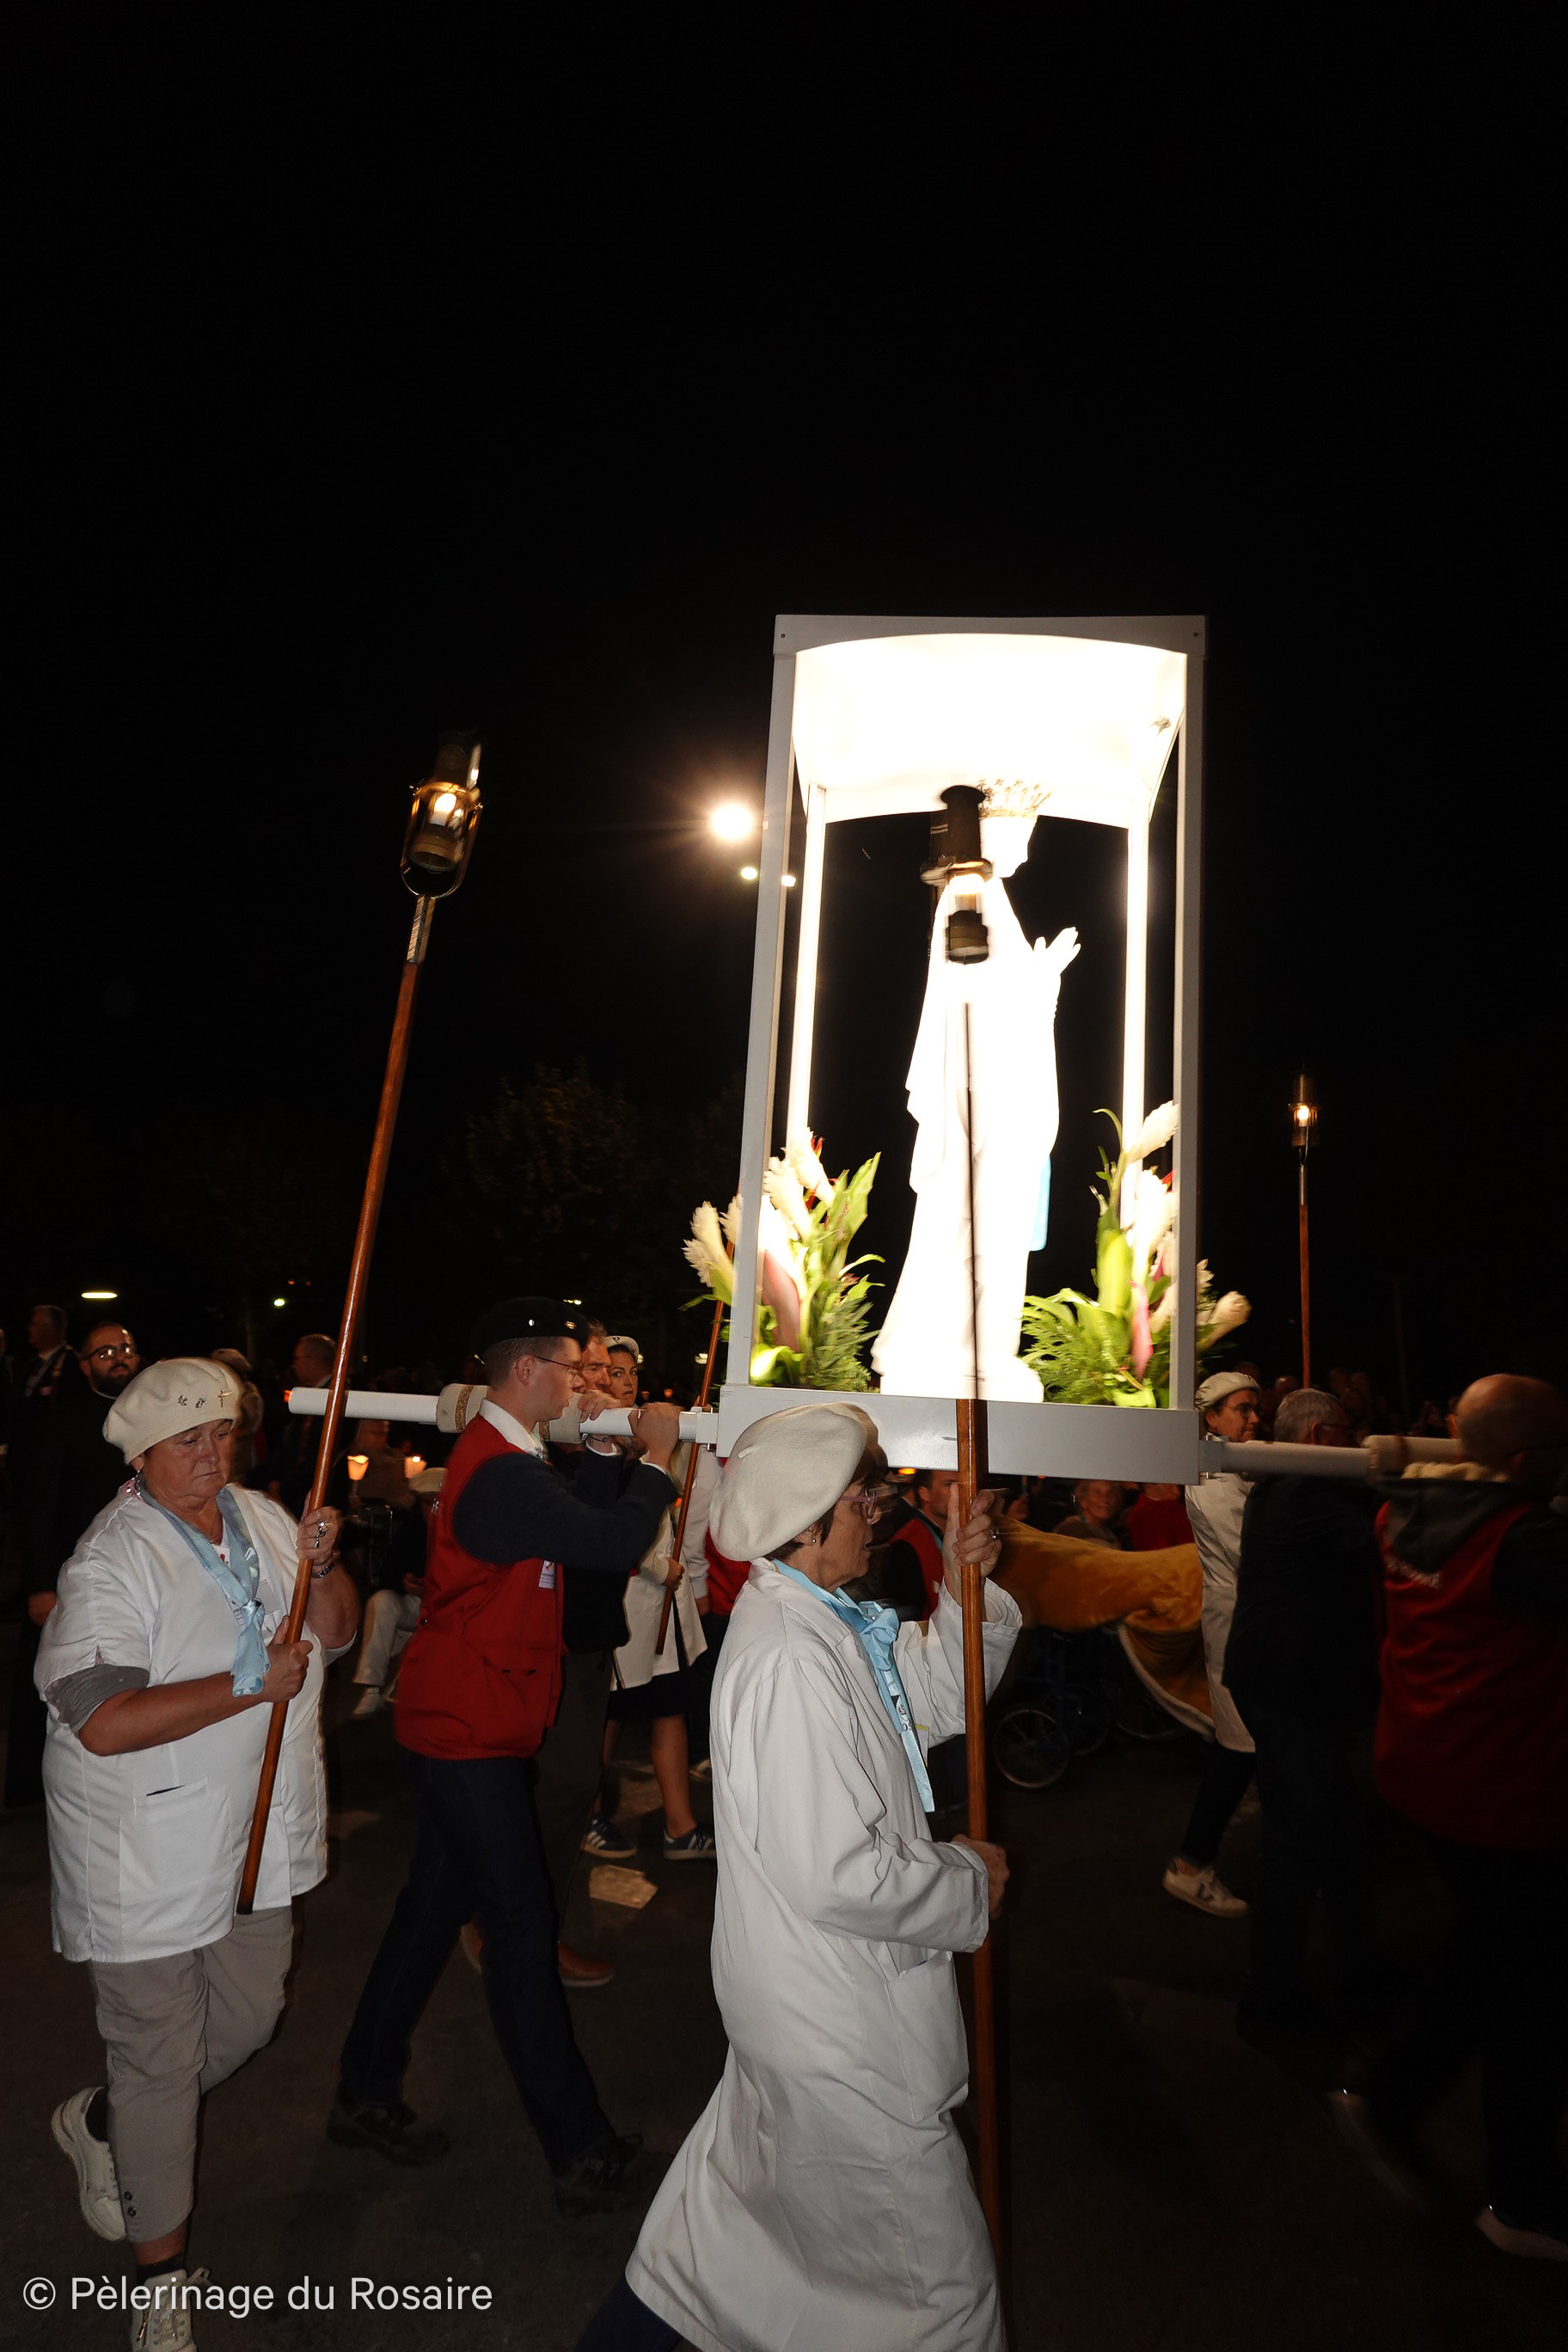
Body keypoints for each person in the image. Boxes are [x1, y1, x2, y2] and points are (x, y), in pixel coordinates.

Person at [575, 1399, 1020, 2352]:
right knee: (942, 2303)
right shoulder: (787, 1657)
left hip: (813, 2011)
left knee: (717, 2247)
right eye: (863, 1498)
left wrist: (967, 1582)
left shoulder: (824, 1621)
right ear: (808, 1522)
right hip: (841, 2031)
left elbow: (933, 1699)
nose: (878, 1512)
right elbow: (835, 1873)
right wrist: (964, 1884)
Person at [331, 1298, 679, 2215]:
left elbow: (584, 1545)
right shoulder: (501, 1472)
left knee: (428, 1912)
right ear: (527, 1370)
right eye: (572, 1367)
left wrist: (604, 1453)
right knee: (521, 1932)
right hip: (467, 1730)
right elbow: (612, 1539)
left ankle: (363, 2090)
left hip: (474, 1719)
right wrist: (657, 1461)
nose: (583, 1383)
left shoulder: (510, 1460)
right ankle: (580, 2150)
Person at [36, 1358, 354, 2347]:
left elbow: (337, 1634)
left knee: (249, 2019)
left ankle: (109, 2122)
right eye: (188, 1439)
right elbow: (101, 1719)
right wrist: (248, 1684)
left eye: (221, 1433)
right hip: (141, 1847)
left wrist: (324, 1566)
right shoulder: (112, 1560)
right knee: (161, 2063)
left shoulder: (262, 1518)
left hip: (253, 1834)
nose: (212, 1454)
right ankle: (161, 2288)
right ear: (141, 1455)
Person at [1333, 1375, 1568, 2261]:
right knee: (1533, 1998)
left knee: (1490, 1948)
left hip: (1429, 1770)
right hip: (1503, 1790)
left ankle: (1391, 2096)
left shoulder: (1405, 1514)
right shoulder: (1526, 1545)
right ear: (1528, 1462)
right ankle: (1521, 2197)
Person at [873, 799, 1080, 1402]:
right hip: (978, 1102)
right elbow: (969, 1000)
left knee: (1000, 1235)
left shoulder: (995, 908)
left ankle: (986, 1350)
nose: (1024, 849)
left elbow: (1013, 1015)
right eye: (1018, 833)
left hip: (1005, 1104)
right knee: (966, 1228)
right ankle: (951, 1348)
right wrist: (1037, 990)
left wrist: (1044, 988)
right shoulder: (967, 900)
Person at [1223, 1387, 1380, 2033]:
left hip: (1289, 1685)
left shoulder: (1287, 1488)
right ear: (1319, 1438)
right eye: (1348, 1430)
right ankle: (1270, 1999)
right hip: (1292, 1690)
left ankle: (1353, 1967)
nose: (1357, 1442)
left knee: (1336, 1831)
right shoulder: (1302, 1495)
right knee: (1297, 1843)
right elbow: (1384, 1538)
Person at [535, 1325, 642, 1984]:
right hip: (555, 1643)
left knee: (572, 1790)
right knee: (564, 1786)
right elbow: (599, 1537)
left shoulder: (596, 1443)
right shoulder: (547, 1448)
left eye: (608, 1370)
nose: (603, 1381)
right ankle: (523, 1931)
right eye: (590, 1369)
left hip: (593, 1638)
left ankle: (526, 1925)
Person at [5, 1321, 142, 1810]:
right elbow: (37, 1506)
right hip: (71, 1575)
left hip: (137, 1572)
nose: (118, 1357)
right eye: (104, 1352)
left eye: (125, 1348)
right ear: (84, 1366)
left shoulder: (155, 1415)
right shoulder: (61, 1421)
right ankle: (37, 1790)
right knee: (57, 1679)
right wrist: (40, 1583)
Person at [1162, 1371, 1261, 1920]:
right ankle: (1191, 1865)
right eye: (1242, 1409)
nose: (1253, 1418)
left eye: (1255, 1408)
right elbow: (1256, 1556)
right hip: (1240, 1632)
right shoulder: (1216, 1481)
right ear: (1212, 1419)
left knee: (1248, 1748)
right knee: (1240, 1749)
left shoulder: (1238, 1469)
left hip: (1248, 1630)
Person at [597, 1434, 716, 1862]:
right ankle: (587, 1814)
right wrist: (655, 1566)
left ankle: (680, 1827)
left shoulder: (651, 1453)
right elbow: (609, 1529)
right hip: (626, 1604)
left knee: (670, 1706)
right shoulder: (602, 1462)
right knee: (608, 1712)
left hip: (666, 1604)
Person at [348, 1466, 441, 1719]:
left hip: (447, 1610)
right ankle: (371, 1688)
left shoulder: (461, 1531)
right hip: (416, 1605)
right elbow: (387, 1574)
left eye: (437, 1503)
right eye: (427, 1503)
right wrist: (405, 1582)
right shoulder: (413, 1528)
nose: (433, 1510)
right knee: (381, 1602)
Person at [249, 1332, 334, 1516]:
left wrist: (283, 1487)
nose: (294, 1365)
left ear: (313, 1361)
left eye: (297, 1359)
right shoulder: (315, 1394)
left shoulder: (331, 1398)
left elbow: (314, 1453)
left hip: (309, 1496)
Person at [878, 1466, 955, 1618]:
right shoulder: (904, 1547)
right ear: (924, 1493)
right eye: (949, 1485)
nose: (958, 1491)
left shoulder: (960, 1534)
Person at [1052, 1477, 1128, 1547]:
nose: (1105, 1499)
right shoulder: (1072, 1530)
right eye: (1097, 1492)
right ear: (1083, 1500)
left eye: (1110, 1492)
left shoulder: (1108, 1535)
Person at [1125, 1480, 1192, 1551]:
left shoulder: (1175, 1505)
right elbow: (1159, 1553)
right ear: (1148, 1486)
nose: (1177, 1492)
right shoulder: (1142, 1516)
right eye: (1170, 1487)